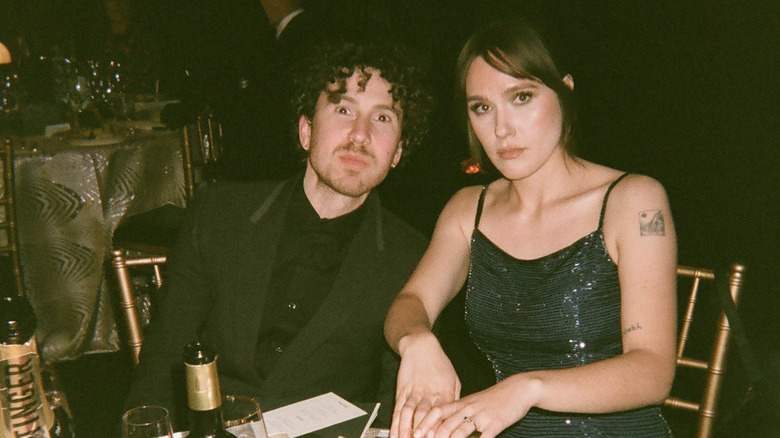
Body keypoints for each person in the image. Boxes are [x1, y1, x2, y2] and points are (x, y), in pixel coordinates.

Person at [384, 18, 678, 437]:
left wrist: (526, 389)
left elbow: (653, 371)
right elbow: (410, 302)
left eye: (521, 97)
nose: (501, 129)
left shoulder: (635, 201)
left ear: (565, 90)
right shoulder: (469, 209)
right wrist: (416, 341)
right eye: (482, 108)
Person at [123, 40, 433, 429]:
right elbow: (163, 362)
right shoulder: (219, 214)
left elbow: (395, 406)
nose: (360, 134)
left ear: (399, 151)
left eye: (383, 118)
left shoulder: (413, 258)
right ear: (306, 131)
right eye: (343, 109)